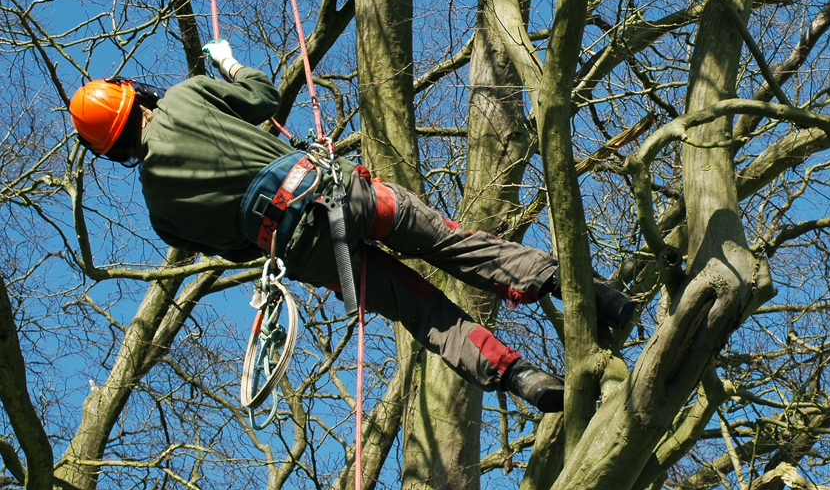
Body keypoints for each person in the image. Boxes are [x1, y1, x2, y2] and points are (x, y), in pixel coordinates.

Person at [69, 40, 636, 412]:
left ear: (113, 150)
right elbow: (264, 97)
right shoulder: (185, 98)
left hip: (307, 251)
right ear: (134, 95)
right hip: (340, 193)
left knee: (424, 313)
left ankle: (518, 377)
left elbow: (236, 249)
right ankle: (596, 295)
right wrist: (230, 64)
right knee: (452, 244)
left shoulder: (160, 210)